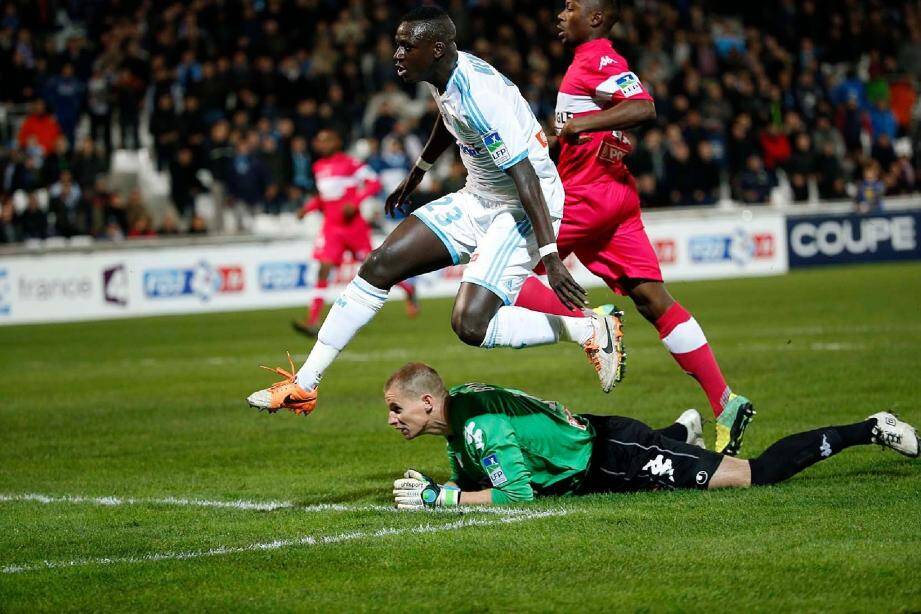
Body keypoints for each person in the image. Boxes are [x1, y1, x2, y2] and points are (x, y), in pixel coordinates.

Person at [247, 6, 624, 417]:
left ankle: (589, 327)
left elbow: (526, 176)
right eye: (398, 44)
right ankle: (305, 384)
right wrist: (418, 173)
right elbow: (449, 119)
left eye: (407, 46)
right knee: (380, 264)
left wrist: (550, 257)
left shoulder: (481, 96)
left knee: (470, 325)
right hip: (478, 196)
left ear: (437, 48)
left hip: (522, 205)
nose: (397, 54)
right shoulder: (443, 77)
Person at [507, 0, 753, 454]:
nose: (560, 13)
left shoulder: (597, 57)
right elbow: (608, 119)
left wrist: (583, 123)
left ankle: (590, 323)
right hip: (616, 196)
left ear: (596, 18)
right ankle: (726, 402)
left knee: (504, 274)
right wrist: (579, 129)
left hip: (583, 197)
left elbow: (642, 107)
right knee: (653, 299)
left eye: (571, 7)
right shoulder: (591, 65)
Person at [384, 363, 919, 508]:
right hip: (592, 455)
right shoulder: (459, 424)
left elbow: (517, 493)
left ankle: (871, 427)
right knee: (667, 455)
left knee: (747, 477)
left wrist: (444, 499)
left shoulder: (479, 427)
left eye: (396, 408)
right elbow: (486, 475)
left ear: (427, 401)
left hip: (612, 454)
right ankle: (678, 432)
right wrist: (450, 488)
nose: (391, 418)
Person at [291, 128, 418, 337]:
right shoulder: (319, 167)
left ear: (336, 142)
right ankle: (313, 320)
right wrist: (308, 208)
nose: (322, 144)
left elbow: (374, 183)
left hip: (353, 227)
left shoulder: (351, 164)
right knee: (323, 269)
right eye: (319, 141)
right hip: (331, 228)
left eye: (326, 140)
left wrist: (355, 201)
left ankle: (409, 290)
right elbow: (324, 198)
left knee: (374, 267)